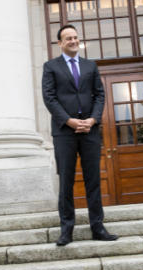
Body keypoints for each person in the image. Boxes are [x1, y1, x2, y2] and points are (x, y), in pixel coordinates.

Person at [42, 24, 118, 246]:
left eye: (75, 37)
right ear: (60, 43)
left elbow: (99, 95)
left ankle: (98, 227)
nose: (73, 41)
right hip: (64, 132)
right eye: (68, 38)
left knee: (93, 180)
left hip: (90, 131)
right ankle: (66, 230)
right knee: (66, 181)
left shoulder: (90, 66)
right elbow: (49, 98)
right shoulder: (50, 67)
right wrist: (69, 120)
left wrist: (93, 120)